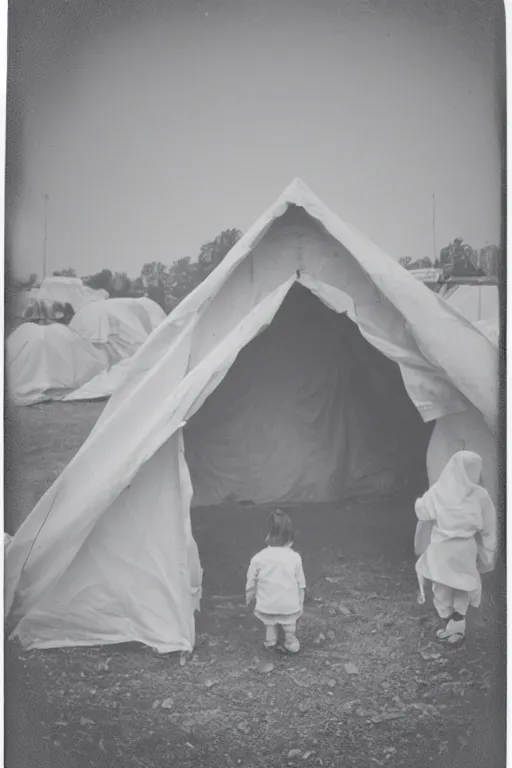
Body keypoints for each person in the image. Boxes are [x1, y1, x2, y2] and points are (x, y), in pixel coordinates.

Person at [414, 450, 497, 645]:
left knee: (445, 585)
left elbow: (424, 516)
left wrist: (420, 545)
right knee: (460, 585)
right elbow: (488, 528)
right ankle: (454, 623)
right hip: (460, 550)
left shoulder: (439, 491)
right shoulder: (479, 496)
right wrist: (487, 554)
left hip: (445, 549)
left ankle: (453, 623)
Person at [246, 509, 306, 653]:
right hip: (288, 606)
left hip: (267, 605)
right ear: (290, 535)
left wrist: (249, 595)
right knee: (289, 624)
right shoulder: (295, 557)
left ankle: (270, 640)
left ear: (267, 534)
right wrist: (301, 600)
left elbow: (250, 581)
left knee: (270, 622)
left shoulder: (258, 558)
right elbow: (301, 582)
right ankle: (290, 641)